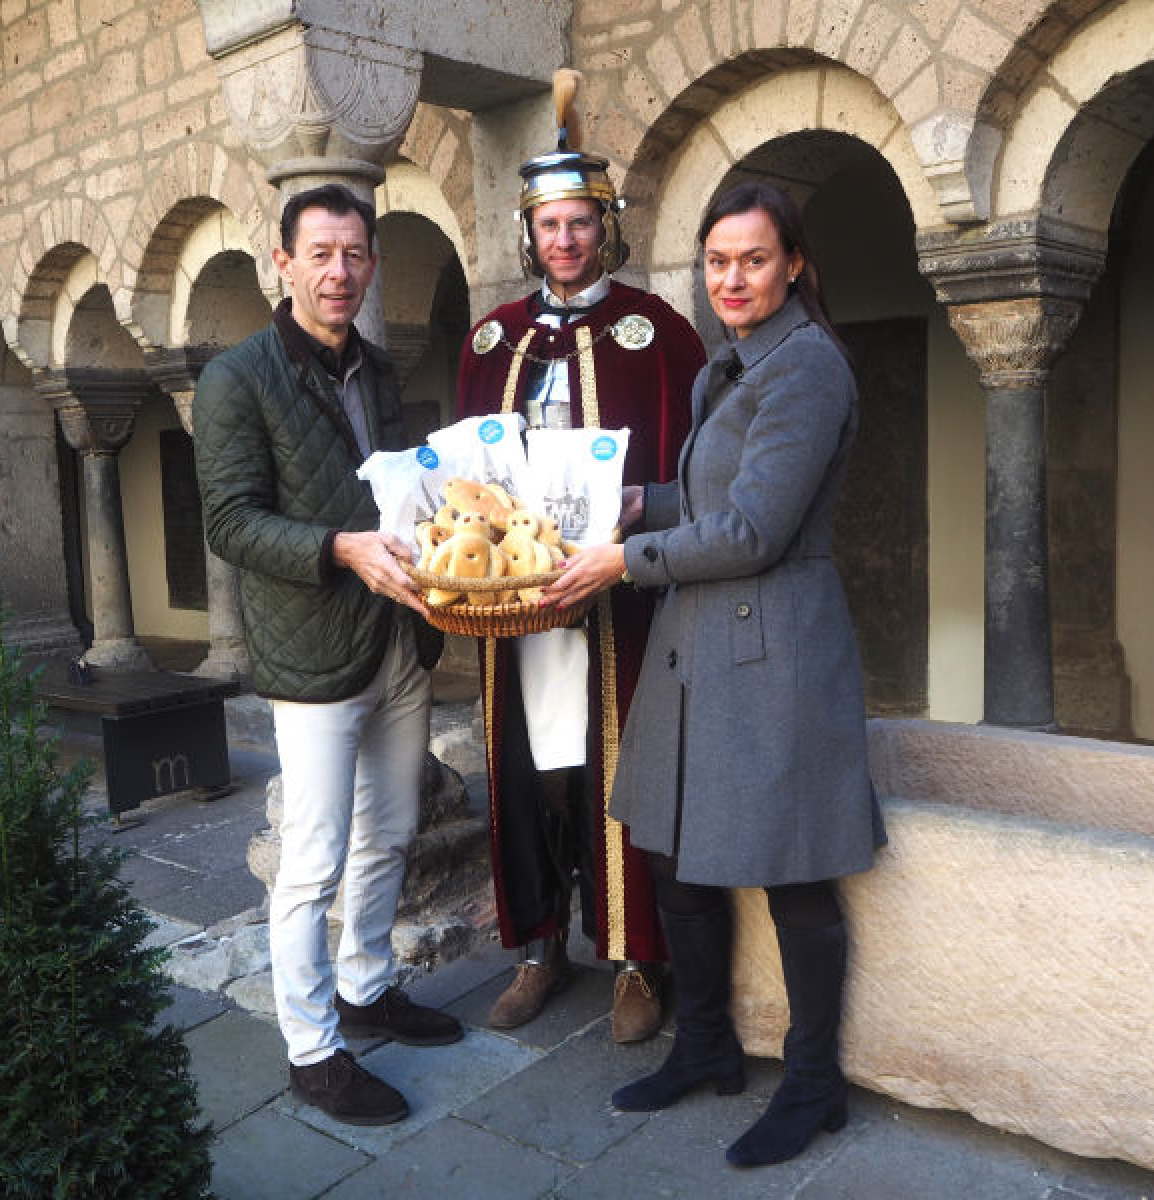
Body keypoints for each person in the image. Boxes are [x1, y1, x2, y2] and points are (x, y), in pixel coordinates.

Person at [544, 180, 886, 1168]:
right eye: (716, 261)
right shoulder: (727, 368)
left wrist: (622, 561)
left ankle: (814, 1086)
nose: (730, 278)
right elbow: (705, 496)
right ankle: (705, 1048)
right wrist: (630, 504)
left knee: (793, 877)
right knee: (665, 851)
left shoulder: (807, 369)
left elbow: (751, 530)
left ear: (793, 267)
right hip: (697, 642)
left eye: (751, 259)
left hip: (773, 648)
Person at [193, 183, 461, 1128]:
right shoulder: (238, 378)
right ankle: (313, 1047)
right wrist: (339, 549)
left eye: (354, 255)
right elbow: (228, 522)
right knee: (312, 860)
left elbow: (405, 494)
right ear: (285, 262)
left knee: (390, 832)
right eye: (321, 254)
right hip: (313, 651)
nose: (339, 272)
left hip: (398, 639)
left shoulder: (381, 374)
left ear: (370, 264)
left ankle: (366, 986)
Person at [456, 74, 703, 1043]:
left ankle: (635, 958)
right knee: (532, 774)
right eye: (549, 226)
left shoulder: (658, 333)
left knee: (617, 771)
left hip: (619, 600)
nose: (564, 240)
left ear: (607, 227)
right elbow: (465, 472)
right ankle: (536, 944)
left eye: (580, 223)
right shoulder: (492, 337)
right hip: (513, 602)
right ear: (530, 234)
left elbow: (693, 469)